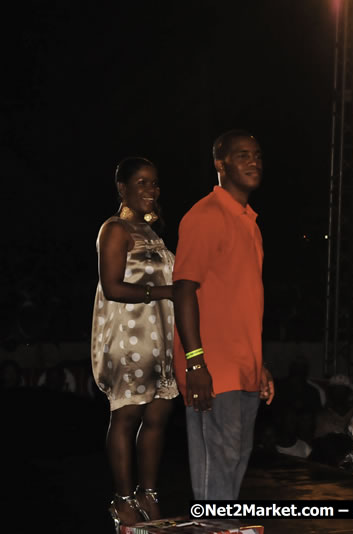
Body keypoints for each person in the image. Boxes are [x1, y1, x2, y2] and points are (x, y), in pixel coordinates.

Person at [173, 130, 275, 500]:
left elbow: (240, 302)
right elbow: (184, 290)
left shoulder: (250, 222)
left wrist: (259, 364)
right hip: (212, 367)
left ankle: (220, 524)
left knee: (235, 461)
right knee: (217, 468)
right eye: (242, 155)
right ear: (220, 164)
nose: (254, 162)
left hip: (243, 365)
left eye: (257, 155)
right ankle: (212, 526)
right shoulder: (205, 215)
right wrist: (195, 362)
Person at [91, 157, 177, 528]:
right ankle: (123, 499)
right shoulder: (115, 229)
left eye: (154, 183)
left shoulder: (152, 232)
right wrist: (165, 291)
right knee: (127, 416)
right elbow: (112, 287)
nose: (151, 190)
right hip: (130, 337)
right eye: (141, 182)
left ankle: (148, 494)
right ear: (122, 188)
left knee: (158, 416)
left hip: (161, 336)